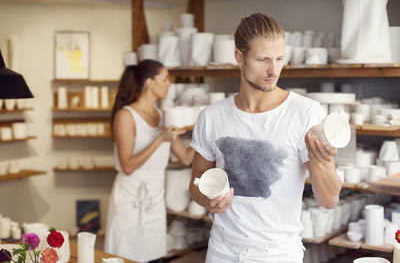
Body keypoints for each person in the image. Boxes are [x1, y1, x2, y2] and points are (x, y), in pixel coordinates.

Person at [189, 13, 342, 263]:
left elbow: (329, 200)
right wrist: (207, 198)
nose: (273, 70)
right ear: (240, 57)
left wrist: (322, 163)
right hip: (222, 251)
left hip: (278, 254)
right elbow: (195, 183)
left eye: (279, 59)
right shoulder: (212, 116)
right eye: (262, 60)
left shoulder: (305, 113)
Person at [104, 59, 194, 263]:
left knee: (153, 257)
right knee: (124, 257)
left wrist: (205, 133)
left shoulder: (163, 116)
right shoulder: (126, 116)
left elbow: (187, 158)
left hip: (154, 200)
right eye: (165, 79)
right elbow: (127, 166)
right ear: (149, 82)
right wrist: (160, 139)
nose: (169, 84)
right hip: (129, 200)